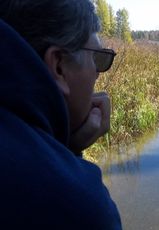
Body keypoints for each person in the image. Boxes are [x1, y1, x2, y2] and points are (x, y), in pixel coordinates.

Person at [0, 0, 122, 229]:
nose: (98, 74)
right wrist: (71, 163)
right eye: (97, 58)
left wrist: (63, 147)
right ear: (59, 67)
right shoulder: (79, 207)